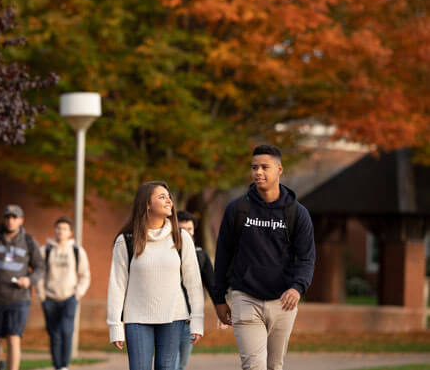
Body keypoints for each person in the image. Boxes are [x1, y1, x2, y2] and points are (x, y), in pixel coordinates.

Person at [213, 144, 316, 370]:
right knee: (254, 366)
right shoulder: (238, 209)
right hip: (245, 298)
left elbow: (307, 258)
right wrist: (219, 298)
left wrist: (297, 288)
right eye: (254, 167)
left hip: (283, 302)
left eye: (264, 167)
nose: (258, 172)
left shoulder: (297, 213)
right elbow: (223, 255)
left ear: (279, 169)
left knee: (274, 366)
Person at [107, 181, 204, 370]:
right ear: (147, 204)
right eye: (162, 197)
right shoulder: (126, 240)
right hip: (137, 318)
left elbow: (193, 282)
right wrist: (115, 326)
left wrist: (197, 320)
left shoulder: (181, 237)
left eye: (169, 197)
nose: (169, 201)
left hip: (174, 317)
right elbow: (117, 285)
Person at [0, 204, 44, 370]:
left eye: (14, 217)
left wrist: (29, 280)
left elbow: (40, 267)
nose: (10, 221)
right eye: (7, 217)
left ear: (21, 220)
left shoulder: (28, 242)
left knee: (14, 337)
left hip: (19, 299)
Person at [36, 217, 91, 370]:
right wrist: (42, 295)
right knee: (54, 334)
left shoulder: (77, 251)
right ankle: (57, 365)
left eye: (65, 229)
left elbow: (85, 275)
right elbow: (39, 274)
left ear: (70, 232)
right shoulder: (45, 250)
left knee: (66, 331)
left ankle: (64, 366)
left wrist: (77, 294)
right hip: (50, 299)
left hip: (69, 298)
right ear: (55, 230)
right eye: (58, 228)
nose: (61, 231)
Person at [174, 210, 214, 370]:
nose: (187, 234)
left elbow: (212, 284)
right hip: (168, 320)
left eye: (190, 230)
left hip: (188, 322)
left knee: (181, 365)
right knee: (170, 364)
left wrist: (221, 309)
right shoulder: (166, 254)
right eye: (182, 229)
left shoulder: (201, 256)